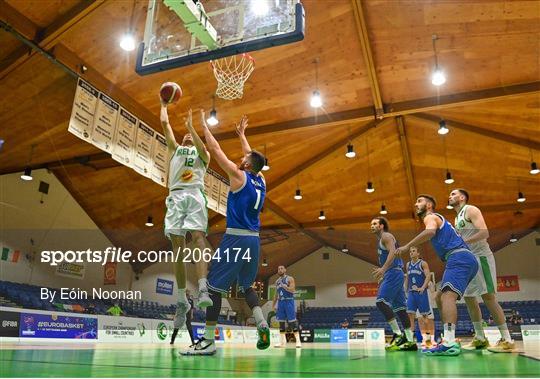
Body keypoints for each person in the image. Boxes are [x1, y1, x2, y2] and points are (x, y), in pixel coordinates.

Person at [181, 112, 269, 356]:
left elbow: (215, 149)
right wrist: (242, 136)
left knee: (212, 288)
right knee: (246, 287)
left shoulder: (239, 176)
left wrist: (201, 127)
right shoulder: (262, 180)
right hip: (254, 241)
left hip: (236, 238)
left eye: (244, 157)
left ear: (248, 164)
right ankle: (262, 322)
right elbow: (254, 159)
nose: (242, 158)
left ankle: (208, 342)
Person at [395, 194, 478, 356]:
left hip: (458, 257)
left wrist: (407, 246)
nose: (415, 204)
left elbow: (430, 232)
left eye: (419, 201)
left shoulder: (430, 217)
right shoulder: (440, 219)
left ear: (429, 205)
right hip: (462, 258)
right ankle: (448, 337)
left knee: (447, 297)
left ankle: (449, 342)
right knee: (440, 297)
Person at [160, 105, 213, 332]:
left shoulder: (203, 155)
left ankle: (202, 287)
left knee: (199, 238)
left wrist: (192, 126)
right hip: (176, 195)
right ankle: (181, 300)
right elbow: (165, 124)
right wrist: (163, 105)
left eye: (190, 136)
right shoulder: (175, 149)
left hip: (194, 194)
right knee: (177, 248)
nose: (186, 136)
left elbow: (204, 148)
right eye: (185, 135)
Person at [448, 188, 515, 353]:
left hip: (481, 257)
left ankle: (507, 339)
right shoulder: (457, 218)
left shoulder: (471, 209)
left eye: (453, 194)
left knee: (488, 297)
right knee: (470, 298)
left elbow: (484, 232)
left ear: (462, 197)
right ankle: (480, 338)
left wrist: (463, 242)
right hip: (468, 261)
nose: (450, 196)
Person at [370, 217, 417, 352]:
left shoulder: (386, 236)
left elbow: (392, 251)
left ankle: (397, 334)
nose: (371, 226)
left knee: (381, 302)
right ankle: (410, 341)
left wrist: (383, 269)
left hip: (393, 273)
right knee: (400, 310)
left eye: (374, 224)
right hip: (394, 273)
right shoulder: (381, 239)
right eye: (371, 224)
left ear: (381, 226)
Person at [404, 246, 435, 348]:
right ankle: (410, 340)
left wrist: (423, 287)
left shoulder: (423, 263)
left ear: (418, 253)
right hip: (411, 293)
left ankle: (428, 339)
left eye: (413, 251)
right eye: (410, 251)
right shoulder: (408, 264)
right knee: (410, 316)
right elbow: (407, 277)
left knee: (425, 317)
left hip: (421, 293)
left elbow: (428, 276)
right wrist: (405, 288)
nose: (411, 253)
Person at [272, 265, 301, 348]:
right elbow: (276, 294)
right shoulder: (277, 281)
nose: (280, 270)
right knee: (281, 323)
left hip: (289, 301)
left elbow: (292, 290)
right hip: (281, 303)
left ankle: (298, 341)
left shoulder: (290, 278)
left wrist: (284, 286)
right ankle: (282, 342)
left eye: (281, 268)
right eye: (278, 269)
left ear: (285, 270)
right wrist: (273, 305)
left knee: (292, 323)